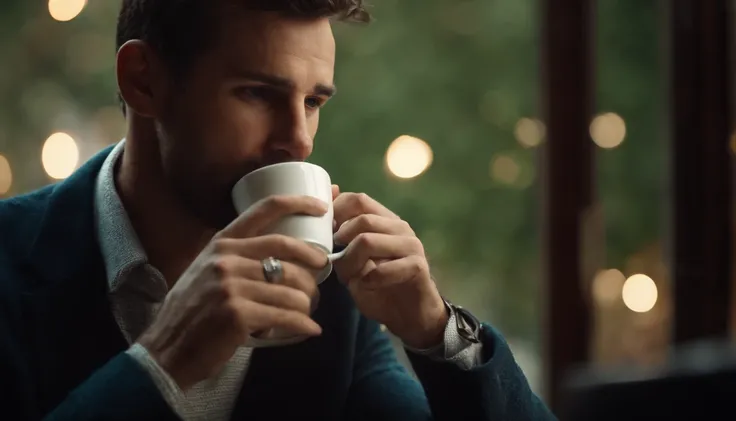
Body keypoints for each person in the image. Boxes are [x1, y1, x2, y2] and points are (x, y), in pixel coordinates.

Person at [0, 1, 556, 420]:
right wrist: (159, 366)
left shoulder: (330, 295)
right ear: (144, 81)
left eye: (313, 103)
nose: (299, 141)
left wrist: (438, 333)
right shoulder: (11, 262)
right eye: (258, 94)